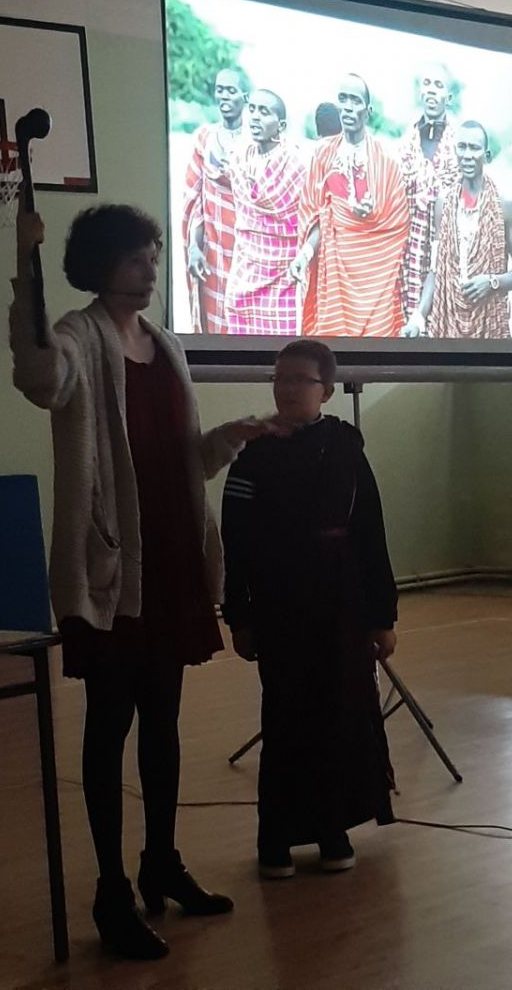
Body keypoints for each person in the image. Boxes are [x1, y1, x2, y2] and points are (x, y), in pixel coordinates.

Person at [10, 203, 271, 960]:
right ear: (101, 266)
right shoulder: (76, 335)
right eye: (136, 258)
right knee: (109, 726)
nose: (150, 269)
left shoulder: (168, 346)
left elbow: (183, 457)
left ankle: (161, 861)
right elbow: (39, 379)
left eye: (154, 257)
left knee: (163, 721)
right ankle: (111, 892)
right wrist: (25, 266)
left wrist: (227, 438)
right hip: (113, 567)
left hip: (171, 558)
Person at [220, 339, 397, 879]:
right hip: (279, 604)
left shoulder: (345, 449)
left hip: (340, 603)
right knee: (286, 717)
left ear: (326, 390)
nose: (288, 388)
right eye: (280, 378)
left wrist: (382, 616)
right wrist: (240, 615)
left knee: (338, 714)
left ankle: (331, 829)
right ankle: (275, 837)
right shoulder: (253, 454)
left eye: (300, 379)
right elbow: (235, 542)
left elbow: (370, 535)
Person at [291, 73, 410, 338]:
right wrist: (305, 254)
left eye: (355, 100)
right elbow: (318, 215)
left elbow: (399, 225)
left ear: (368, 111)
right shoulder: (323, 155)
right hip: (334, 275)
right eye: (342, 99)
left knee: (376, 347)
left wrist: (371, 215)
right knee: (333, 344)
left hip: (376, 279)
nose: (347, 107)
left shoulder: (386, 160)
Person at [408, 120, 512, 339]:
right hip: (448, 323)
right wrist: (417, 317)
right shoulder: (443, 203)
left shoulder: (505, 206)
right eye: (462, 147)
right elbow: (436, 269)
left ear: (487, 155)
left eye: (474, 148)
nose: (467, 155)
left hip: (490, 325)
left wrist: (492, 282)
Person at [223, 89, 307, 335]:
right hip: (245, 270)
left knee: (284, 347)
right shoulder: (238, 159)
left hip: (283, 275)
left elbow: (312, 218)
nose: (255, 117)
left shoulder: (295, 163)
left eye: (264, 112)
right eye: (252, 110)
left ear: (281, 125)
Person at [183, 69, 247, 333]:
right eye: (220, 90)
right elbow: (194, 199)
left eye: (231, 90)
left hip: (247, 250)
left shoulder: (255, 140)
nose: (225, 96)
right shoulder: (205, 137)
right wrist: (194, 247)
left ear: (244, 96)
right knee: (213, 322)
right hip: (212, 248)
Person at [398, 63, 460, 332]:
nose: (432, 91)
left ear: (449, 96)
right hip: (410, 254)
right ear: (420, 92)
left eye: (439, 85)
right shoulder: (405, 144)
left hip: (448, 252)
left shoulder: (460, 145)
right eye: (427, 84)